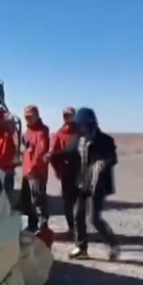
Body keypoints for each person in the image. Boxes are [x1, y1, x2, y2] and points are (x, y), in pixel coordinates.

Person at [51, 108, 120, 260]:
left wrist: (102, 164)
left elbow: (113, 158)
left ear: (90, 123)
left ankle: (113, 245)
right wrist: (52, 154)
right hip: (83, 182)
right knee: (78, 215)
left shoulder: (105, 140)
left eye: (82, 125)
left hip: (98, 185)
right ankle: (81, 247)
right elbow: (68, 151)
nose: (80, 128)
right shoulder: (78, 139)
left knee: (94, 219)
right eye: (79, 125)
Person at [19, 105, 51, 232]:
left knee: (38, 201)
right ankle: (32, 224)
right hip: (27, 172)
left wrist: (33, 167)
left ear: (37, 116)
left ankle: (43, 228)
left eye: (30, 116)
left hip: (36, 173)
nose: (28, 119)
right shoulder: (27, 132)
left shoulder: (41, 132)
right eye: (26, 116)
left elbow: (40, 152)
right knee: (27, 201)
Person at [50, 107, 79, 239]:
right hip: (66, 173)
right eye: (65, 115)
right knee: (68, 202)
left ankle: (80, 228)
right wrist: (58, 170)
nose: (67, 117)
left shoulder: (81, 132)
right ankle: (72, 227)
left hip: (81, 173)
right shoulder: (59, 134)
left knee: (80, 202)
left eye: (70, 115)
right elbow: (54, 155)